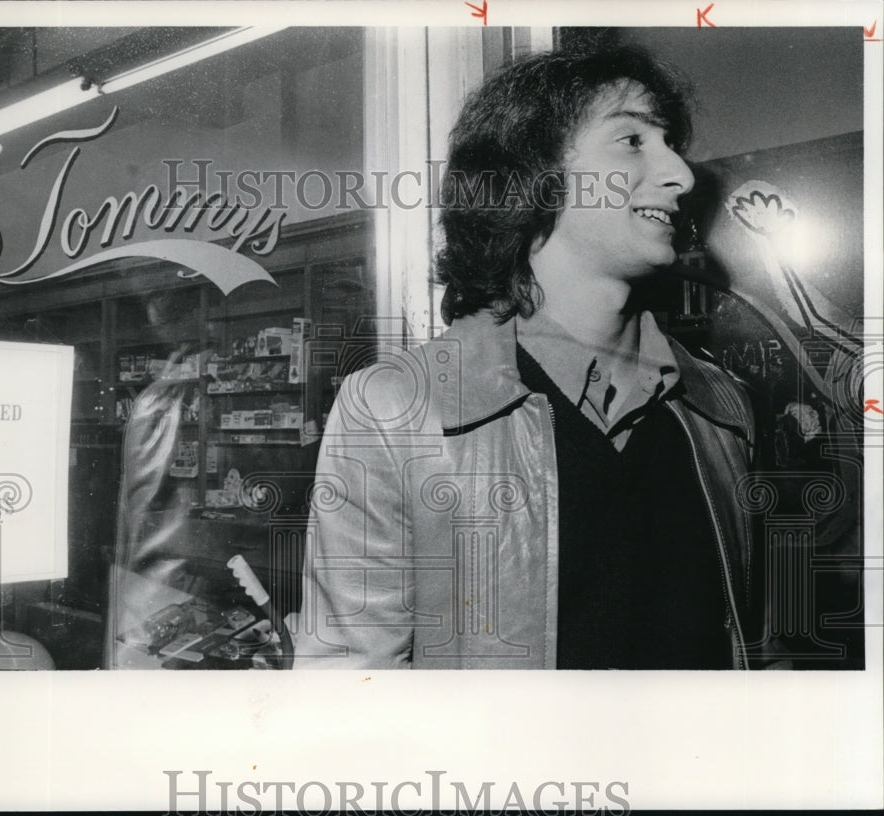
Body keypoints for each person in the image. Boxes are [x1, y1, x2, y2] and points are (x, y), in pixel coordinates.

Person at [293, 44, 759, 669]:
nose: (681, 173)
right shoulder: (398, 411)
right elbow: (350, 690)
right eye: (632, 140)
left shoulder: (720, 407)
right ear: (531, 177)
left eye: (670, 141)